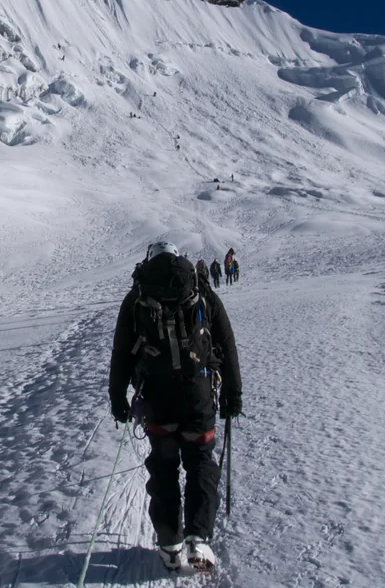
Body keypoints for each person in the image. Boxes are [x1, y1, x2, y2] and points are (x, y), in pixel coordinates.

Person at [109, 242, 243, 572]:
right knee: (200, 461)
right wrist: (233, 395)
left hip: (157, 398)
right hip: (198, 393)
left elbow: (122, 351)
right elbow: (226, 342)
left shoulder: (137, 295)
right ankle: (199, 539)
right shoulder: (199, 289)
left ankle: (170, 544)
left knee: (164, 466)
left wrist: (118, 399)